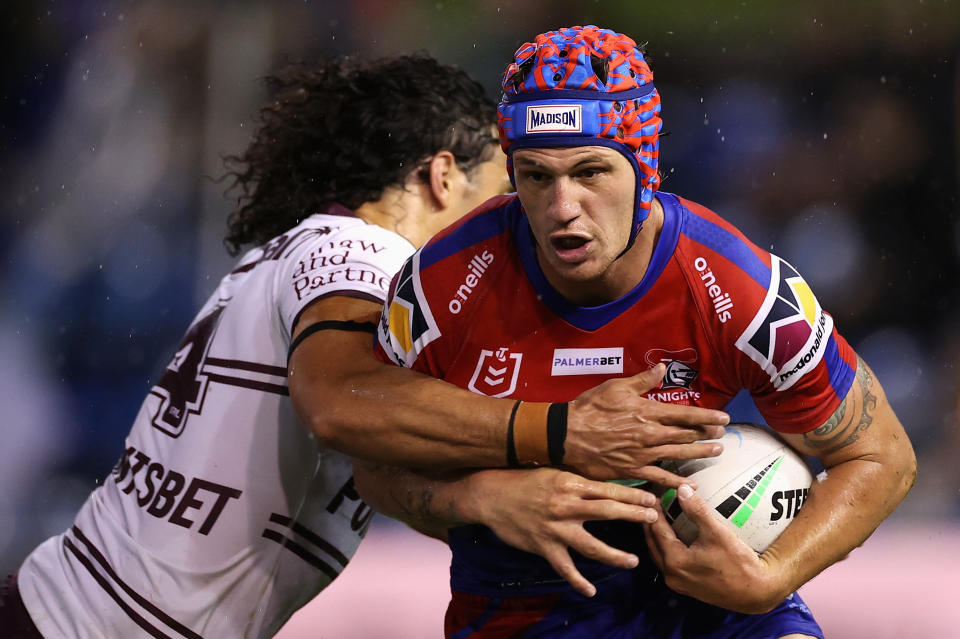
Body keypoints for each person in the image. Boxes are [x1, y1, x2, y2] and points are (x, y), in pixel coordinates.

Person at [4, 53, 729, 638]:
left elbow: (387, 462)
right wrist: (563, 430)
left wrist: (484, 496)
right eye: (512, 182)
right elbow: (339, 401)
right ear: (444, 176)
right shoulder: (366, 255)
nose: (526, 215)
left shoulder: (308, 255)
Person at [371, 25, 917, 639]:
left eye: (591, 172)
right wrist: (480, 499)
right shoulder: (439, 287)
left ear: (644, 168)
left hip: (708, 606)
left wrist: (770, 577)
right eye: (535, 175)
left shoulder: (739, 289)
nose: (562, 208)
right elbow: (374, 470)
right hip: (519, 607)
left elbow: (881, 457)